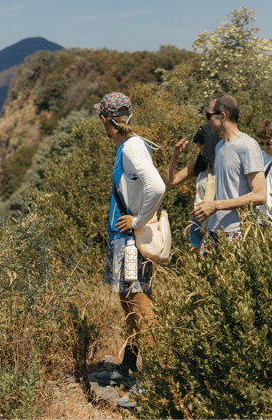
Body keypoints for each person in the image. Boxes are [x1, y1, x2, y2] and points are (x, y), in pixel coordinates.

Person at [89, 92, 166, 392]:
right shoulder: (130, 145)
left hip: (129, 242)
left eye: (102, 120)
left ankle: (155, 380)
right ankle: (128, 367)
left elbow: (157, 186)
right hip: (123, 241)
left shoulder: (132, 148)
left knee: (139, 306)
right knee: (128, 304)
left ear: (107, 120)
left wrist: (137, 220)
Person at [191, 94, 266, 248]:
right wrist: (208, 205)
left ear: (222, 116)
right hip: (214, 231)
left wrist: (216, 205)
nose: (206, 120)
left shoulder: (247, 146)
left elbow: (260, 195)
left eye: (209, 115)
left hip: (237, 232)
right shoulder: (219, 147)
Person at [164, 125, 219, 256]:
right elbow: (170, 182)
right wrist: (175, 156)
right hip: (198, 221)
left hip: (216, 223)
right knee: (199, 265)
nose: (202, 153)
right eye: (200, 149)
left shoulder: (225, 165)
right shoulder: (199, 164)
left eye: (204, 149)